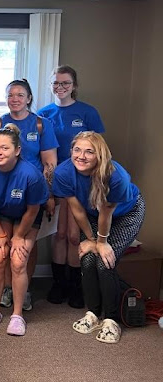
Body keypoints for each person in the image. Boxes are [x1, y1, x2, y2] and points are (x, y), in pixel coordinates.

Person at [53, 132, 145, 344]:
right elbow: (78, 211)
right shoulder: (63, 172)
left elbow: (106, 212)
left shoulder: (115, 176)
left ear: (100, 155)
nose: (81, 156)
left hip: (127, 214)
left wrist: (101, 243)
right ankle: (93, 314)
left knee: (104, 262)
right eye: (77, 150)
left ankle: (112, 320)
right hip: (93, 216)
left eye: (89, 151)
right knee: (86, 258)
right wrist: (90, 240)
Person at [0, 78, 58, 311]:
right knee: (4, 245)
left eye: (20, 95)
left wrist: (49, 195)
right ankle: (7, 288)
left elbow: (50, 163)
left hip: (32, 194)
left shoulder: (41, 124)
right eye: (10, 95)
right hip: (2, 195)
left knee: (24, 247)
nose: (14, 99)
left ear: (29, 98)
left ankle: (24, 291)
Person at [38, 65, 105, 308]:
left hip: (81, 181)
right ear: (51, 85)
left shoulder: (88, 112)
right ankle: (60, 284)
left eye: (65, 83)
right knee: (60, 233)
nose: (60, 87)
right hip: (56, 179)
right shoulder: (43, 114)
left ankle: (76, 285)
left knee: (75, 235)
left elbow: (99, 150)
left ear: (74, 85)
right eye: (56, 83)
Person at [0, 124, 49, 336]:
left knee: (18, 261)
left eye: (5, 148)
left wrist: (18, 236)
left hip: (27, 215)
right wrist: (0, 233)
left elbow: (33, 209)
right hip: (0, 213)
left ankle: (17, 315)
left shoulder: (31, 175)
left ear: (17, 150)